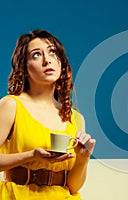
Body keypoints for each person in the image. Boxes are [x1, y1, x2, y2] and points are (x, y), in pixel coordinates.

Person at [0, 29, 96, 199]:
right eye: (36, 55)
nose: (47, 60)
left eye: (52, 52)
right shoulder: (11, 105)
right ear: (23, 66)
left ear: (61, 62)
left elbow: (73, 186)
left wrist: (83, 158)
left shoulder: (76, 118)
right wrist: (31, 156)